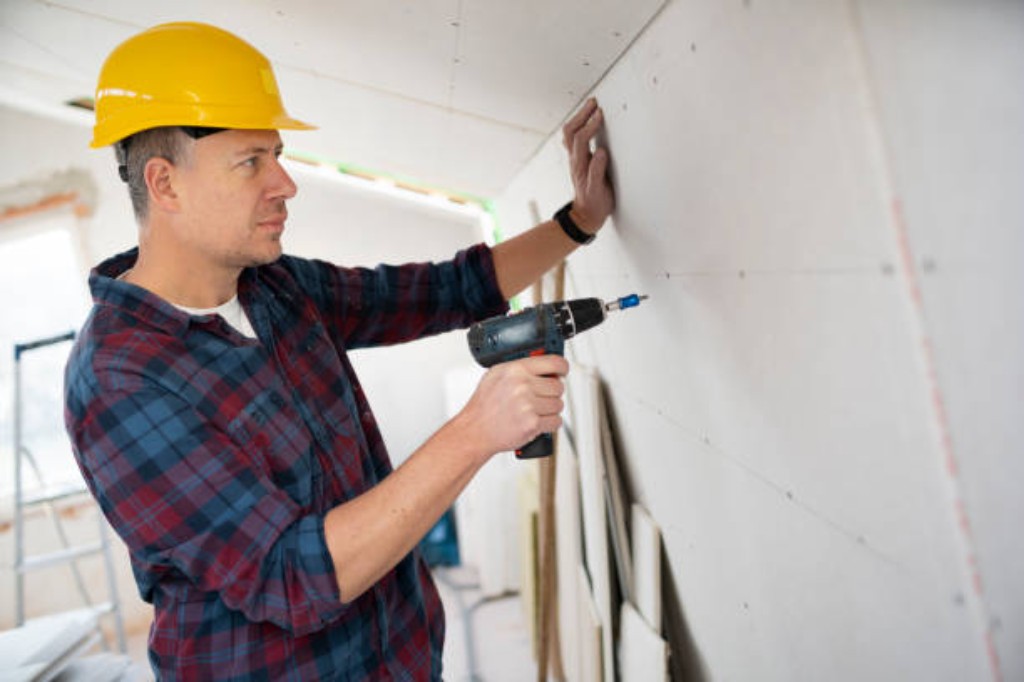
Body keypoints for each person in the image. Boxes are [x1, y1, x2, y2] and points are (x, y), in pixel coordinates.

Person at [64, 21, 613, 680]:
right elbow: (292, 575)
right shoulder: (120, 380)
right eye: (251, 162)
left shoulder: (274, 287)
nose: (285, 184)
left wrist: (579, 221)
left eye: (276, 154)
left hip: (402, 658)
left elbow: (441, 290)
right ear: (165, 184)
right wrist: (475, 431)